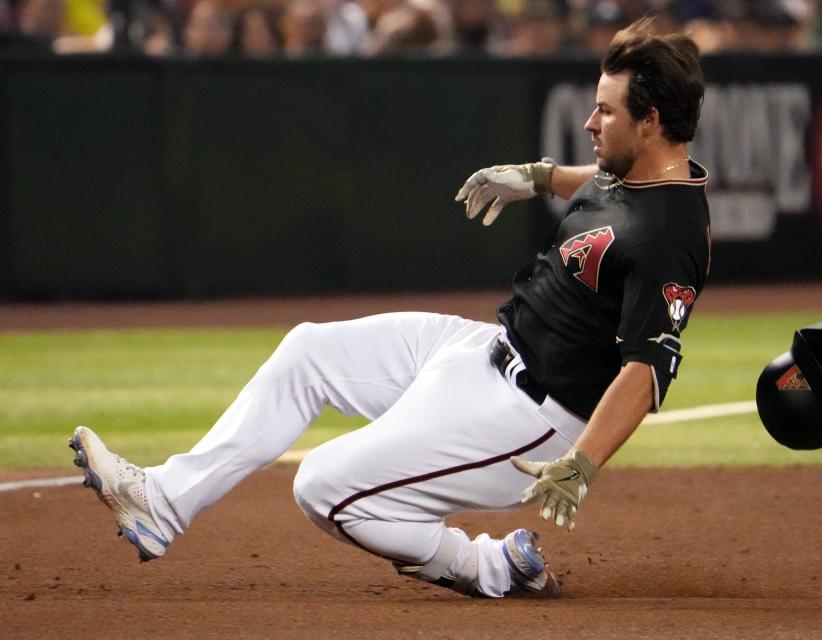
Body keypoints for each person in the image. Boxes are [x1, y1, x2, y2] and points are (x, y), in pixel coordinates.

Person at [70, 18, 710, 599]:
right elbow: (605, 184)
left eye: (605, 111)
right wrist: (541, 176)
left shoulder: (670, 236)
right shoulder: (634, 170)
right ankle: (162, 504)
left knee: (321, 486)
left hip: (531, 418)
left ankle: (487, 566)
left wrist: (582, 465)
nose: (593, 123)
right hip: (479, 347)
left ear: (650, 120)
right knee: (307, 353)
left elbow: (647, 370)